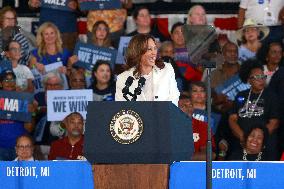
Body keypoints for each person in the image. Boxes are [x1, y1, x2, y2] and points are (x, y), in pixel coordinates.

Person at [229, 58, 280, 160]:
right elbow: (232, 119)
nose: (261, 80)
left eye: (263, 77)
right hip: (241, 143)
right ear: (249, 80)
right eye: (257, 77)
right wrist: (243, 137)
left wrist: (257, 139)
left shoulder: (271, 96)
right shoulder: (240, 96)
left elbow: (274, 122)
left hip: (263, 145)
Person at [115, 34, 180, 105]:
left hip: (164, 115)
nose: (154, 53)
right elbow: (121, 109)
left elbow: (174, 98)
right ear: (137, 52)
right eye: (149, 49)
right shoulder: (123, 79)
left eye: (155, 48)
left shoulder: (167, 69)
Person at [0, 70, 34, 160]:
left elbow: (29, 128)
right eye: (6, 80)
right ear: (1, 83)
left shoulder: (23, 99)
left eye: (12, 80)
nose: (9, 83)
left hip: (19, 148)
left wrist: (31, 113)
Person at [178, 94, 216, 160]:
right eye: (183, 106)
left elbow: (208, 154)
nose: (188, 108)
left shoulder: (202, 125)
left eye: (190, 105)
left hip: (194, 165)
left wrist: (182, 160)